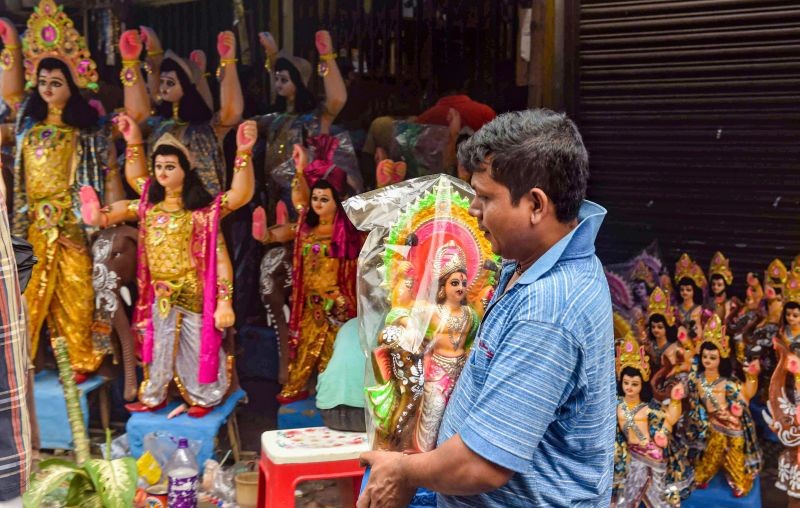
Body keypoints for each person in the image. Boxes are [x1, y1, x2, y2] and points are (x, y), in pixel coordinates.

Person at [358, 108, 615, 506]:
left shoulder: (549, 308)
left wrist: (404, 472)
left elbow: (483, 465)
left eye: (485, 197)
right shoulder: (528, 259)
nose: (473, 210)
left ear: (535, 205)